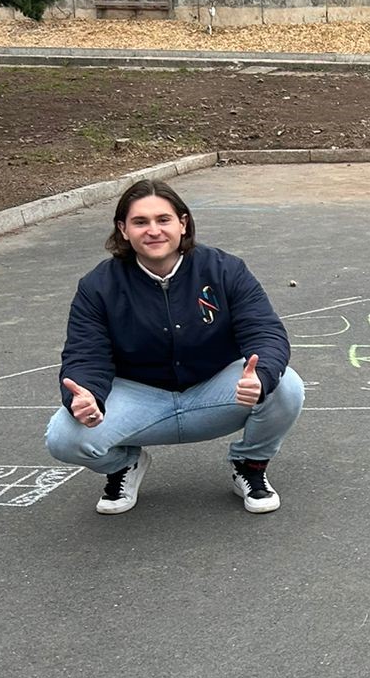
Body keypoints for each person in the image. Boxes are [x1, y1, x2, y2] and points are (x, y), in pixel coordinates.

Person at [45, 179, 305, 516]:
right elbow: (85, 353)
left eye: (163, 220)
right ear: (123, 230)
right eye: (140, 222)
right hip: (140, 397)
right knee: (64, 437)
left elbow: (265, 330)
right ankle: (124, 465)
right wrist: (86, 396)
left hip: (212, 392)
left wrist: (263, 375)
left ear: (183, 223)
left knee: (286, 386)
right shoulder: (99, 286)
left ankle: (249, 465)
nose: (153, 230)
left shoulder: (224, 270)